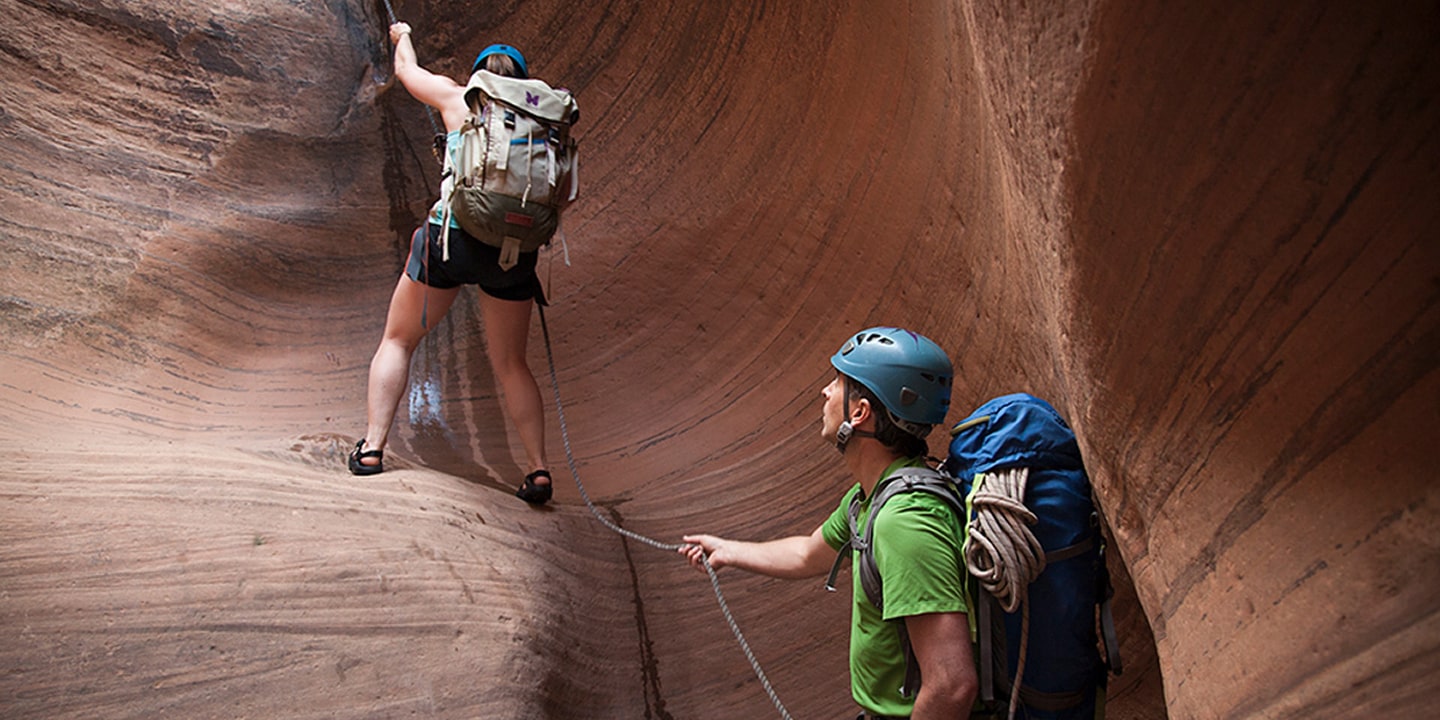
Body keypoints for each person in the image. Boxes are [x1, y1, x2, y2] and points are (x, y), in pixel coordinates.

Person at [681, 327, 978, 719]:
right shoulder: (873, 497)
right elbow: (808, 553)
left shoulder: (904, 523)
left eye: (838, 383)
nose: (824, 391)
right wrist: (728, 550)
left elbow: (952, 686)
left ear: (859, 413)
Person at [348, 22, 553, 505]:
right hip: (512, 252)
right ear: (521, 81)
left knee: (398, 339)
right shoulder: (542, 123)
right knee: (511, 363)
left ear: (480, 75)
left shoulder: (458, 98)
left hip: (450, 241)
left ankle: (373, 448)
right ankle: (539, 470)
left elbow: (406, 71)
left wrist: (403, 35)